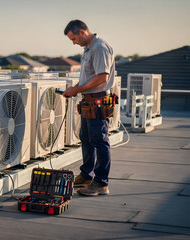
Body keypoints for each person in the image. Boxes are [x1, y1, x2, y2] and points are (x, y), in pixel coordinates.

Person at [63, 20, 116, 196]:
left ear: (83, 31)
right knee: (86, 138)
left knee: (99, 141)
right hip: (89, 102)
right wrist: (75, 89)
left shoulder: (99, 47)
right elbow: (88, 77)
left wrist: (76, 89)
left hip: (98, 101)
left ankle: (101, 183)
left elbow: (102, 78)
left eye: (74, 38)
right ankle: (87, 175)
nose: (73, 42)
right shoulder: (88, 49)